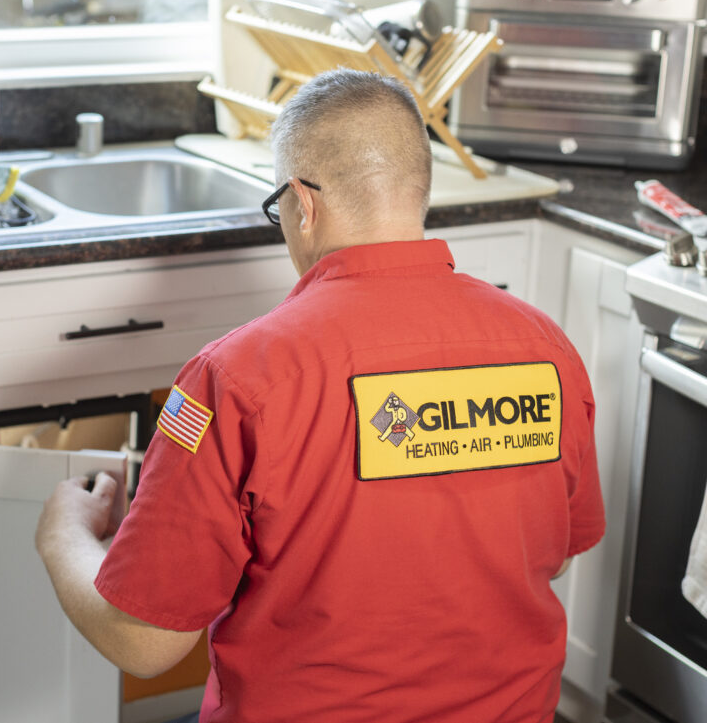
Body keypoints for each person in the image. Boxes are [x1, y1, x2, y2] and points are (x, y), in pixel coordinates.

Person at [35, 68, 605, 723]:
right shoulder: (547, 348)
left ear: (302, 203)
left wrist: (63, 534)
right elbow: (552, 554)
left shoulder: (234, 376)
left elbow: (144, 642)